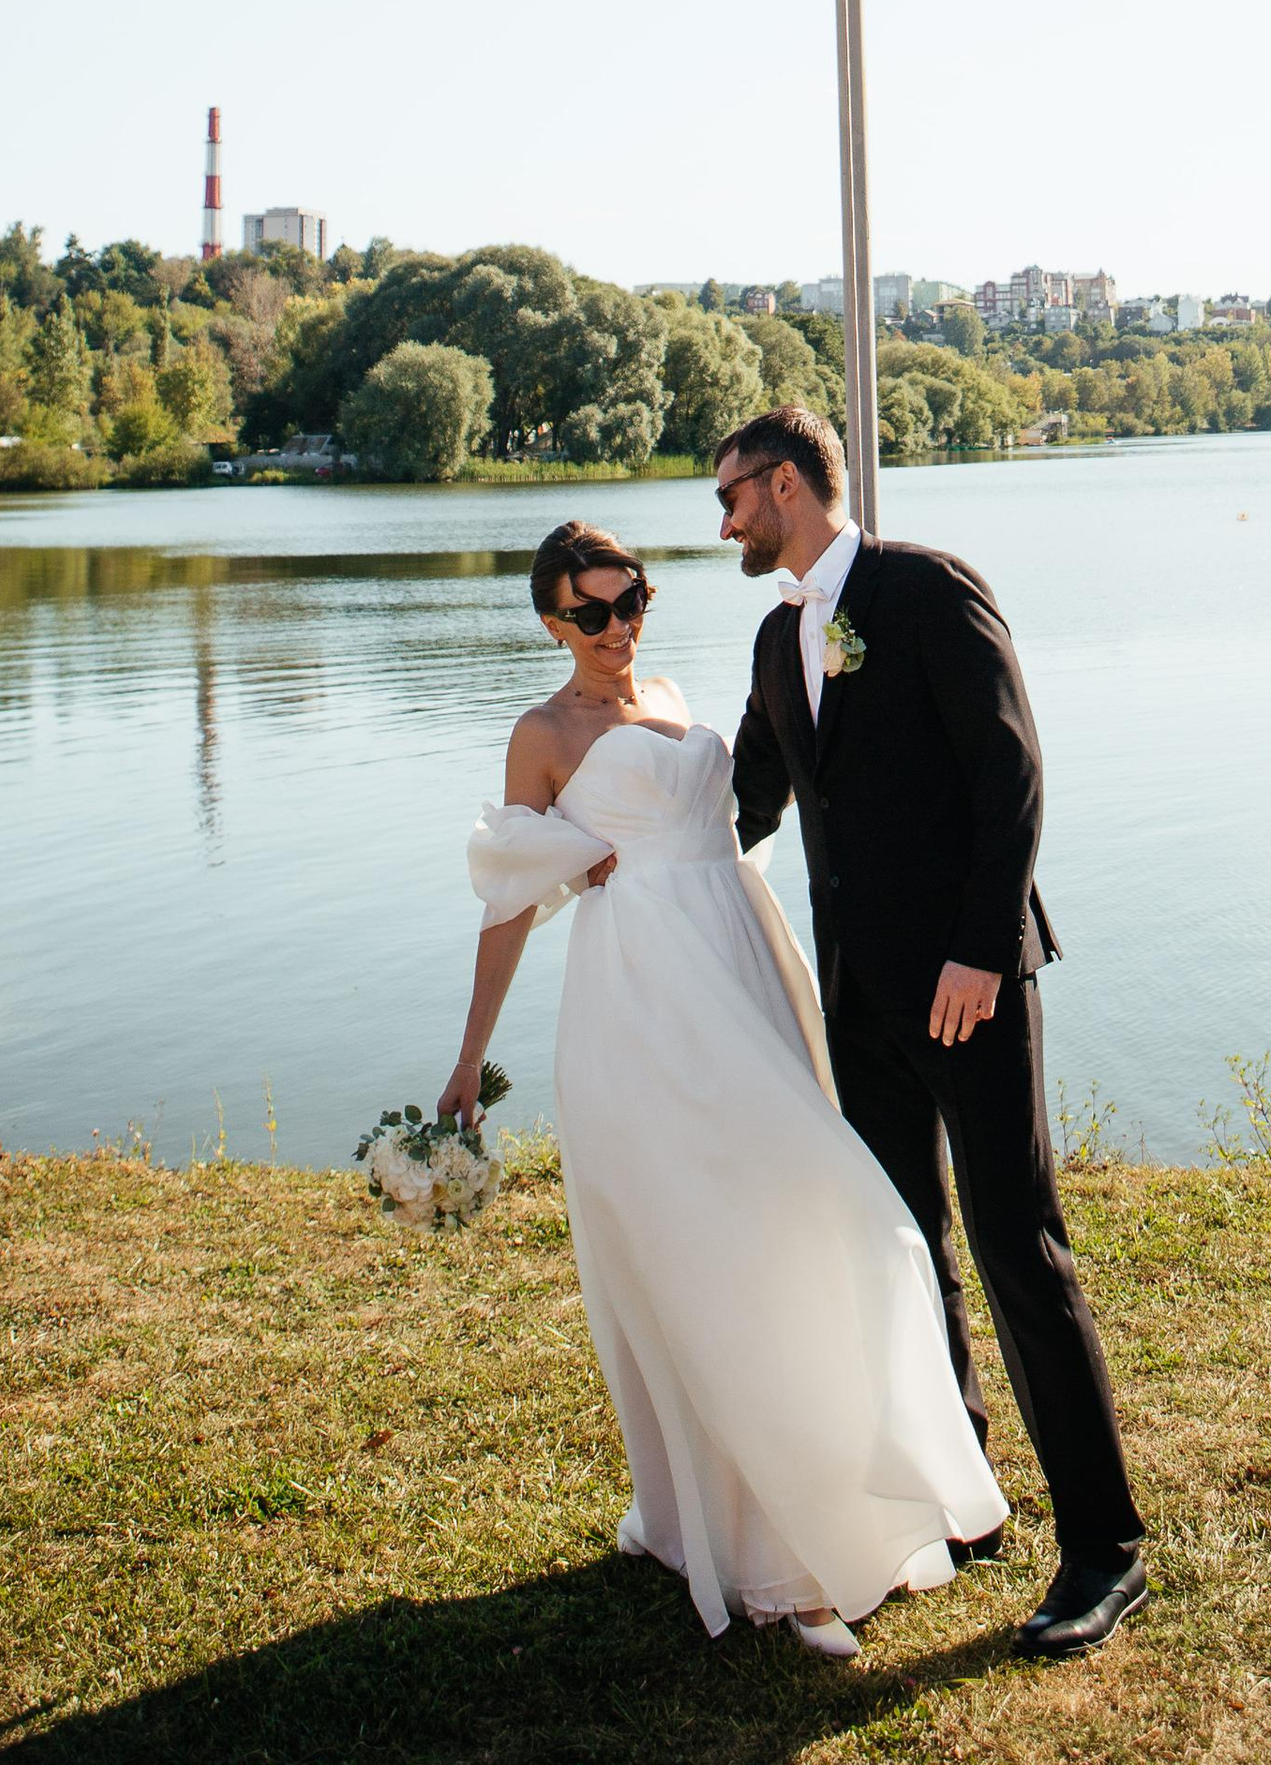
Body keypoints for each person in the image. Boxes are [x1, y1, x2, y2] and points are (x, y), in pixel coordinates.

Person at [438, 518, 1003, 1659]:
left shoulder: (685, 694)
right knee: (707, 1249)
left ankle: (850, 1486)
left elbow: (753, 800)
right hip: (644, 1002)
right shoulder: (540, 736)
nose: (616, 627)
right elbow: (508, 899)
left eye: (628, 600)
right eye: (589, 613)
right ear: (553, 622)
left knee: (821, 1217)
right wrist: (465, 1062)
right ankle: (777, 1566)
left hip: (746, 963)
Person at [722, 405, 1147, 1660]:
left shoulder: (925, 588)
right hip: (857, 999)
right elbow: (746, 799)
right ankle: (966, 1495)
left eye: (732, 495)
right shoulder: (774, 634)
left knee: (1021, 1247)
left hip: (969, 985)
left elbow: (1010, 773)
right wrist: (618, 834)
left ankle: (1104, 1552)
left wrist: (977, 947)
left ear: (789, 484)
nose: (725, 521)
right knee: (907, 1245)